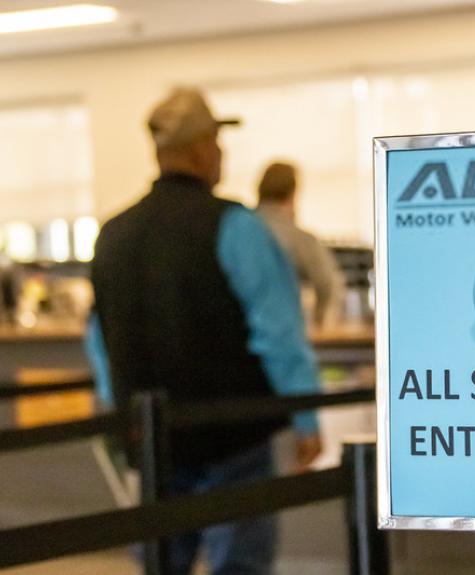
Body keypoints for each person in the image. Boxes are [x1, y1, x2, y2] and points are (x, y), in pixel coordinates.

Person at [86, 87, 322, 575]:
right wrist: (305, 419)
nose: (222, 155)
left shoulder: (112, 233)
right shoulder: (236, 226)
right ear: (199, 150)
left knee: (161, 561)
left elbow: (99, 338)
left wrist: (122, 411)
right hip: (232, 435)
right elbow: (279, 333)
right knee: (239, 564)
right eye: (217, 144)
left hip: (152, 439)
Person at [256, 162, 344, 327]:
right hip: (284, 334)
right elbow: (329, 285)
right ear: (293, 194)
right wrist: (321, 326)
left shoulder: (236, 230)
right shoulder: (298, 238)